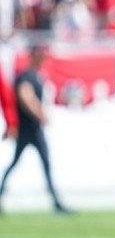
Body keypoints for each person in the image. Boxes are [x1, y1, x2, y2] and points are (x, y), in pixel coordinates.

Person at [0, 44, 70, 213]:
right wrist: (41, 115)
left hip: (34, 128)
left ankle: (56, 201)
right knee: (23, 164)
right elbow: (26, 98)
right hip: (28, 129)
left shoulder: (37, 76)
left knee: (40, 163)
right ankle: (56, 202)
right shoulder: (25, 77)